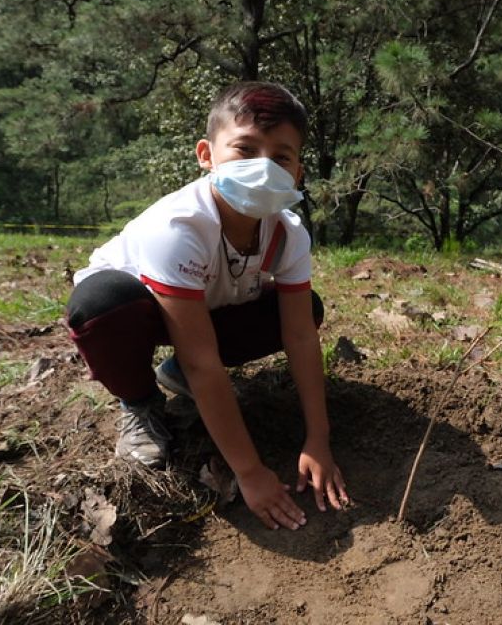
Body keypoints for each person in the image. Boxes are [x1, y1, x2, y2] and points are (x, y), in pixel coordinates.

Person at [66, 82, 349, 531]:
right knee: (101, 306)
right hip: (138, 312)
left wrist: (319, 437)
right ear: (206, 154)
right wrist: (251, 473)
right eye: (245, 149)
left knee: (304, 309)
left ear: (297, 172)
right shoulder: (178, 227)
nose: (263, 167)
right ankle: (139, 402)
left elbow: (298, 334)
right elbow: (205, 361)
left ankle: (173, 375)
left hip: (208, 307)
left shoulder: (287, 233)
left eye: (281, 157)